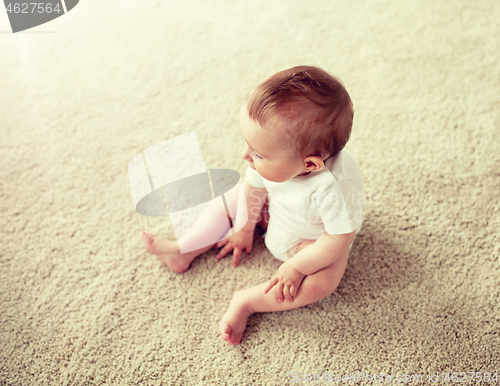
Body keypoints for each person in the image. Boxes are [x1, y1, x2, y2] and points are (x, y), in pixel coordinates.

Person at [140, 65, 365, 345]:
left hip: (310, 241)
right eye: (247, 144)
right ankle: (183, 250)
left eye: (257, 152)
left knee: (324, 283)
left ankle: (247, 302)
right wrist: (244, 229)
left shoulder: (335, 186)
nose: (245, 155)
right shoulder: (266, 160)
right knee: (233, 195)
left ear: (309, 164)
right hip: (274, 213)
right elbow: (253, 190)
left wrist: (296, 267)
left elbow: (339, 238)